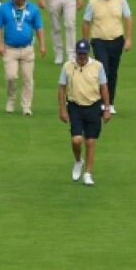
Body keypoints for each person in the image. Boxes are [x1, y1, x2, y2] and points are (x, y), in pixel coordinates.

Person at [58, 40, 111, 186]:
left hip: (93, 106)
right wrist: (62, 109)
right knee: (76, 140)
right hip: (75, 106)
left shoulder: (97, 66)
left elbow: (104, 88)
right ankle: (78, 160)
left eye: (84, 53)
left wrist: (107, 109)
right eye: (79, 53)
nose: (82, 56)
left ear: (88, 53)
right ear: (76, 53)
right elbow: (62, 88)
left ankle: (88, 173)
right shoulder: (68, 66)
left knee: (90, 141)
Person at [82, 0, 133, 115]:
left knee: (113, 72)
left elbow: (128, 18)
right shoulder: (93, 2)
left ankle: (110, 103)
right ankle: (101, 102)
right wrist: (85, 43)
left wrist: (128, 39)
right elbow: (86, 22)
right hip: (99, 41)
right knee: (103, 70)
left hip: (117, 40)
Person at [0, 0, 46, 115]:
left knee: (28, 78)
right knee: (11, 76)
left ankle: (26, 106)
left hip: (27, 49)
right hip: (10, 49)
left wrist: (42, 45)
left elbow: (39, 27)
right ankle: (11, 100)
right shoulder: (4, 8)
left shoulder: (33, 9)